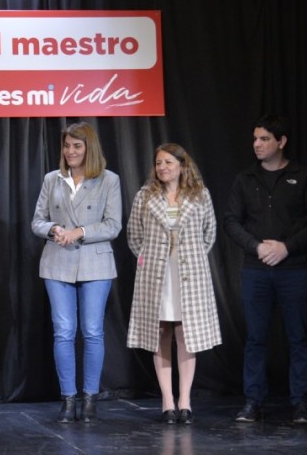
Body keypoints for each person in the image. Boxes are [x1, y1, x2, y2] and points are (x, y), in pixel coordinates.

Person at [224, 115, 307, 424]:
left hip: (295, 268)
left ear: (281, 141)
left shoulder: (304, 176)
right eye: (255, 139)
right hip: (255, 269)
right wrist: (257, 247)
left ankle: (301, 403)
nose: (257, 144)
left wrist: (286, 247)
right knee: (255, 338)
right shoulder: (244, 178)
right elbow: (231, 221)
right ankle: (253, 401)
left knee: (299, 338)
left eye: (264, 139)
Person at [31, 121, 122, 423]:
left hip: (96, 263)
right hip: (57, 262)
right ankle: (68, 399)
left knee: (93, 331)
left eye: (77, 146)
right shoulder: (52, 179)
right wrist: (54, 229)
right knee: (64, 332)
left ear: (89, 148)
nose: (70, 151)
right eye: (67, 145)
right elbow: (37, 221)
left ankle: (90, 398)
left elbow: (113, 225)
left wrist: (79, 231)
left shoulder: (109, 180)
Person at [126, 143, 221, 424]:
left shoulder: (200, 194)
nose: (163, 168)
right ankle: (167, 402)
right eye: (159, 163)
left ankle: (185, 401)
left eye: (168, 162)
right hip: (156, 275)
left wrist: (189, 259)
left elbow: (209, 234)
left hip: (189, 276)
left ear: (182, 165)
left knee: (186, 335)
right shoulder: (145, 196)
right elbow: (134, 236)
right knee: (160, 334)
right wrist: (149, 258)